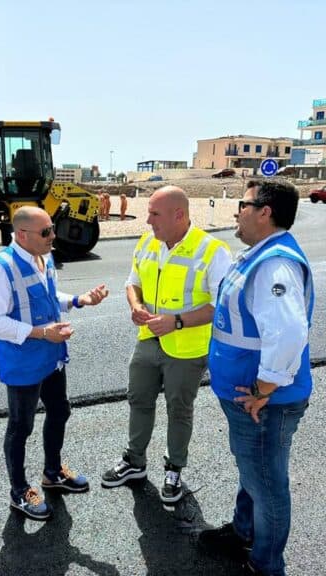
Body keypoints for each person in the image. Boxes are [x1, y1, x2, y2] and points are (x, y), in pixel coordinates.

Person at [199, 180, 314, 576]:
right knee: (255, 473)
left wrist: (264, 390)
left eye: (243, 204)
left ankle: (266, 564)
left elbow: (289, 333)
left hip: (264, 402)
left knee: (267, 485)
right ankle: (243, 532)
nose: (237, 211)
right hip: (251, 395)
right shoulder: (256, 255)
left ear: (265, 211)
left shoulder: (273, 264)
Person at [101, 185, 231, 505]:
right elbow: (133, 283)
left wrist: (176, 321)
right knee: (139, 399)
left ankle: (174, 469)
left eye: (154, 214)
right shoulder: (149, 242)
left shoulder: (213, 251)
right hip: (148, 339)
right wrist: (135, 305)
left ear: (179, 215)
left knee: (179, 409)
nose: (147, 220)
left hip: (186, 349)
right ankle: (134, 462)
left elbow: (222, 305)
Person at [0, 206, 109, 521]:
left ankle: (52, 473)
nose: (54, 236)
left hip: (52, 355)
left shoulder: (44, 258)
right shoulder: (2, 268)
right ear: (22, 235)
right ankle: (19, 492)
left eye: (52, 228)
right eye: (46, 232)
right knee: (20, 427)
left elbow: (47, 295)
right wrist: (41, 333)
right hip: (23, 362)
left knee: (60, 410)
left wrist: (79, 300)